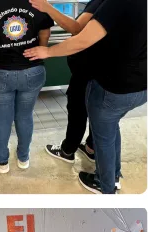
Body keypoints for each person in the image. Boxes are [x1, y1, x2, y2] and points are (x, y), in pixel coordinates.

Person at [24, 0, 146, 194]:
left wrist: (48, 51)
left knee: (100, 133)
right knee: (110, 127)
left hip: (113, 85)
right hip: (142, 85)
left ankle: (105, 185)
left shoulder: (116, 4)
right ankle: (112, 174)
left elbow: (81, 36)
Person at [0, 0, 54, 174]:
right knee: (25, 116)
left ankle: (2, 161)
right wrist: (42, 49)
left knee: (1, 119)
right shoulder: (37, 2)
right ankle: (23, 157)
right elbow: (45, 31)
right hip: (32, 69)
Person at [34, 0, 103, 166]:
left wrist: (47, 7)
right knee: (98, 111)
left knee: (78, 109)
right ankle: (91, 148)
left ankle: (68, 150)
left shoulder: (103, 2)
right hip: (103, 69)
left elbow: (77, 29)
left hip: (88, 70)